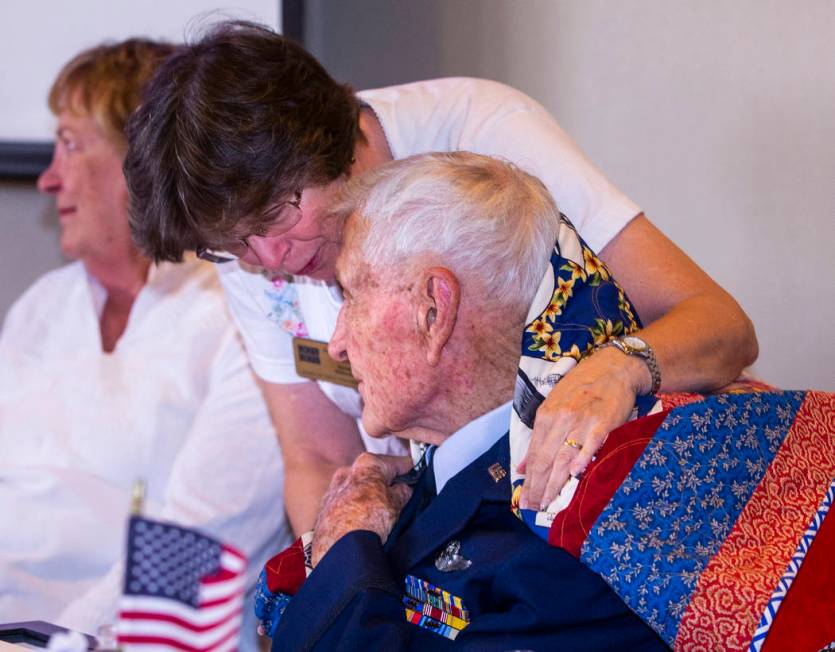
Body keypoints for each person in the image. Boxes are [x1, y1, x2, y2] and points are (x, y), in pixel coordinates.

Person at [124, 21, 758, 535]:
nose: (272, 258)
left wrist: (617, 367)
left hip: (611, 503)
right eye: (233, 244)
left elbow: (722, 325)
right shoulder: (254, 248)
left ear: (330, 140)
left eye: (275, 214)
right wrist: (343, 580)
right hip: (454, 536)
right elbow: (318, 457)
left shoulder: (482, 143)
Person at [267, 152, 669, 649]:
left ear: (433, 311)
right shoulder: (438, 479)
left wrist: (343, 551)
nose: (337, 343)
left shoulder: (571, 524)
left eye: (351, 295)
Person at [0, 39, 290, 646]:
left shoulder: (241, 310)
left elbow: (206, 537)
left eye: (71, 146)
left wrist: (60, 638)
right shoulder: (42, 309)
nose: (49, 179)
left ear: (142, 160)